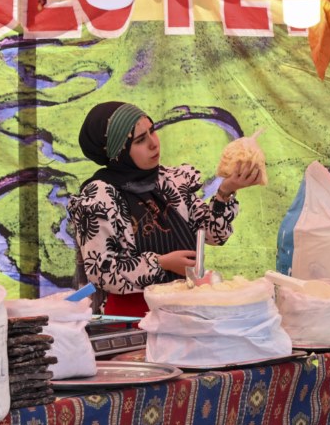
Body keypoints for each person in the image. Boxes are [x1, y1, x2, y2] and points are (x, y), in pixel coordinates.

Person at [68, 101, 260, 317]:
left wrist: (226, 192)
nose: (154, 144)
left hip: (185, 313)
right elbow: (102, 271)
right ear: (116, 152)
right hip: (134, 320)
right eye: (140, 140)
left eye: (153, 131)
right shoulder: (100, 198)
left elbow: (214, 234)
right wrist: (162, 263)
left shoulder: (172, 182)